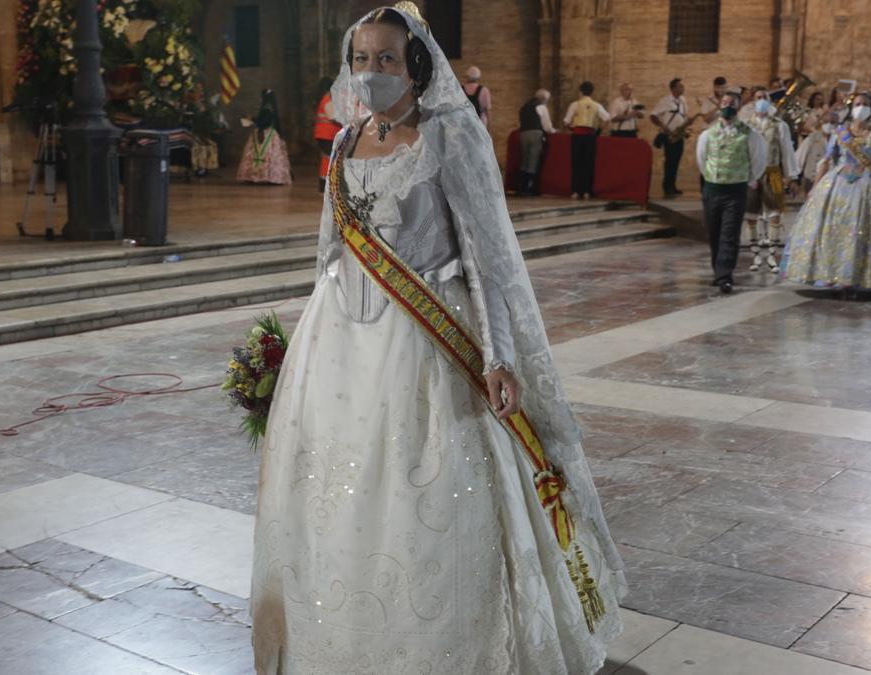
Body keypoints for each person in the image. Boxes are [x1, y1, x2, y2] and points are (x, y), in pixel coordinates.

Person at [251, 5, 626, 673]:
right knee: (342, 491)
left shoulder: (451, 137)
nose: (371, 73)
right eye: (362, 59)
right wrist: (300, 345)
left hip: (429, 341)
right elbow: (330, 248)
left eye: (387, 59)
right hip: (340, 344)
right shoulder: (344, 143)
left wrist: (500, 353)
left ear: (416, 65)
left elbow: (490, 256)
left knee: (424, 492)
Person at [781, 92, 871, 291]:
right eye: (857, 104)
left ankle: (858, 276)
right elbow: (826, 160)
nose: (861, 107)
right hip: (838, 185)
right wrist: (814, 188)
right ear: (851, 108)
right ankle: (831, 274)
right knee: (833, 230)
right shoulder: (840, 132)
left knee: (861, 232)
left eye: (865, 104)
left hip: (868, 188)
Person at [697, 91, 768, 294]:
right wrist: (712, 176)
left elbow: (758, 160)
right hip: (712, 188)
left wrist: (747, 179)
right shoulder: (707, 134)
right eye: (724, 102)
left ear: (737, 107)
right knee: (714, 231)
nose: (727, 106)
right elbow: (702, 160)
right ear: (720, 105)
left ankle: (725, 276)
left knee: (729, 232)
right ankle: (717, 271)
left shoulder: (750, 134)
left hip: (735, 190)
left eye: (732, 103)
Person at [743, 88, 799, 273]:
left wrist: (791, 176)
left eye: (764, 97)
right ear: (753, 101)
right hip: (752, 175)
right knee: (751, 214)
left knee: (775, 212)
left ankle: (773, 256)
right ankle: (756, 255)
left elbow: (787, 151)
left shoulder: (779, 125)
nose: (762, 101)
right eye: (758, 98)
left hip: (773, 173)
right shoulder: (746, 126)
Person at [563, 81, 610, 199]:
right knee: (588, 163)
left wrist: (571, 129)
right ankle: (587, 191)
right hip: (590, 137)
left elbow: (566, 122)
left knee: (576, 163)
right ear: (592, 92)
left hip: (577, 136)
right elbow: (607, 119)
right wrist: (599, 131)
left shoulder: (575, 104)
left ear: (580, 91)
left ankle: (575, 191)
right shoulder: (597, 105)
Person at [236, 89, 292, 185]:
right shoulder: (271, 108)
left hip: (266, 134)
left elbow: (263, 122)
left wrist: (252, 119)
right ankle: (269, 175)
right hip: (270, 134)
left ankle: (261, 176)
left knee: (264, 154)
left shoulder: (267, 108)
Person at [651, 77, 691, 197]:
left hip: (679, 135)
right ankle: (666, 187)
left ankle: (673, 186)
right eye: (680, 86)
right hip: (669, 135)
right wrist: (664, 127)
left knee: (676, 162)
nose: (683, 88)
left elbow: (683, 116)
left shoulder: (683, 100)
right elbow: (653, 115)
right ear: (673, 88)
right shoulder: (665, 101)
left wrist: (686, 129)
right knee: (669, 162)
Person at [516, 88, 555, 195]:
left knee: (524, 160)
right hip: (535, 134)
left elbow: (519, 123)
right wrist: (553, 131)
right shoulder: (541, 106)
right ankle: (529, 187)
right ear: (544, 99)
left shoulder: (524, 106)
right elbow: (547, 126)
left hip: (523, 133)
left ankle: (521, 186)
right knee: (533, 160)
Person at [313, 76, 343, 192]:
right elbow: (333, 116)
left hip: (323, 134)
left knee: (327, 159)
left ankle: (324, 184)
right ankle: (329, 183)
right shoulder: (327, 99)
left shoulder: (323, 99)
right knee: (331, 159)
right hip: (327, 134)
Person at [796, 110, 835, 195]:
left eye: (832, 122)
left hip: (832, 184)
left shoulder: (840, 141)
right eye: (826, 122)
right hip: (811, 181)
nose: (829, 125)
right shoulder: (812, 138)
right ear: (821, 122)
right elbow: (799, 158)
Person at [462, 65, 492, 129]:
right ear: (478, 77)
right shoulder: (484, 90)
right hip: (481, 122)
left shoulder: (460, 89)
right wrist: (489, 128)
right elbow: (487, 111)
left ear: (467, 76)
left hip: (466, 122)